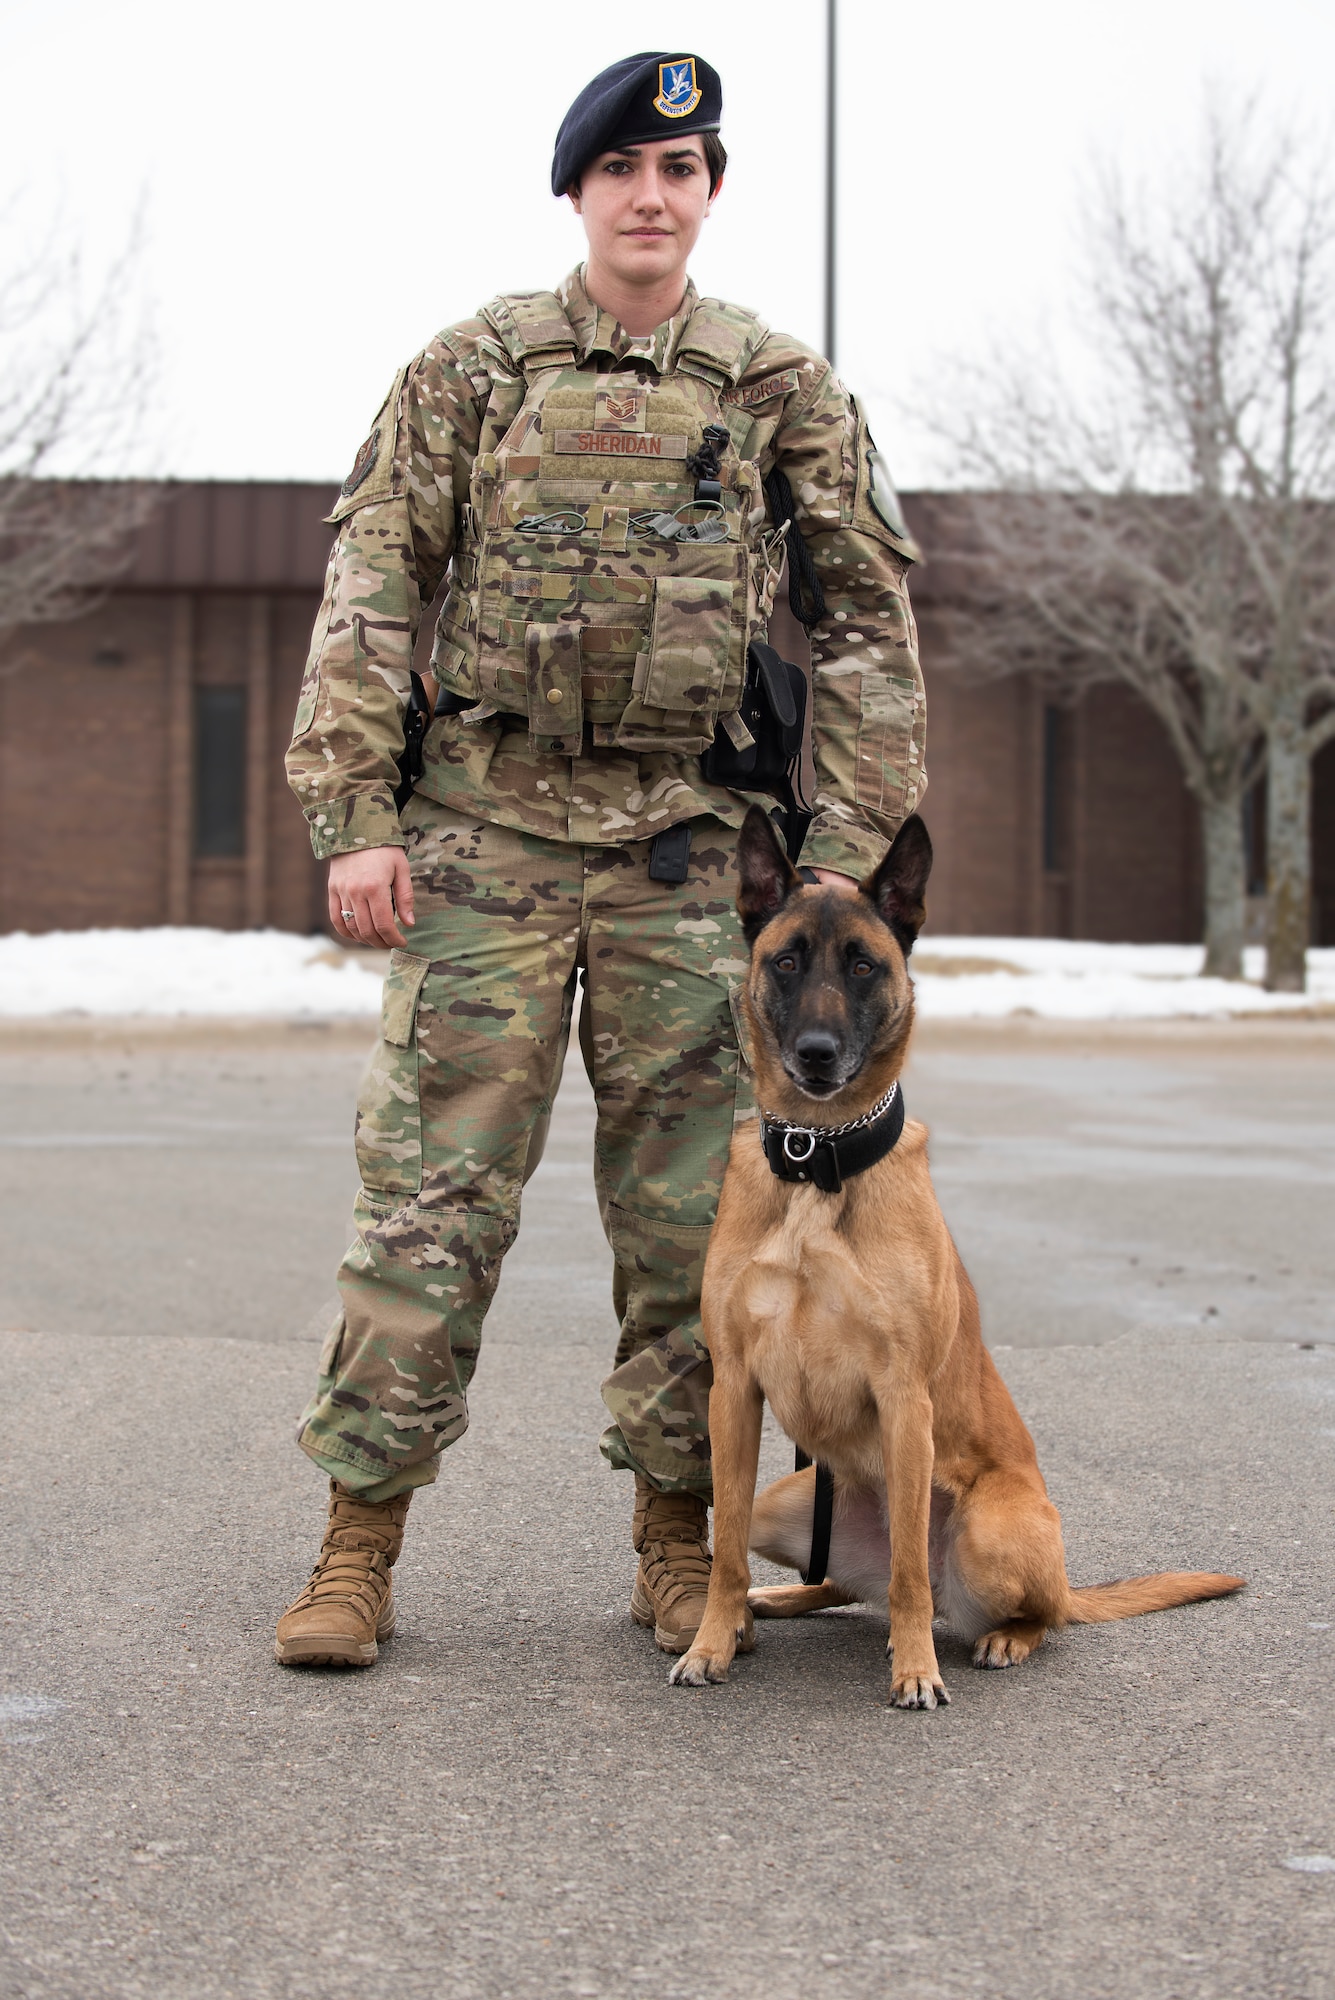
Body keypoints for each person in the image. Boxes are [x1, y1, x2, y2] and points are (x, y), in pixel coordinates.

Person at [275, 50, 926, 1669]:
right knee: (430, 1205)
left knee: (691, 1229)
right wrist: (353, 816)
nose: (652, 196)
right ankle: (357, 1552)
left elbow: (867, 626)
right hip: (486, 840)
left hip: (687, 863)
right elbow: (372, 583)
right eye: (624, 168)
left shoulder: (776, 384)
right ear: (577, 191)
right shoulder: (475, 368)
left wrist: (839, 861)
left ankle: (675, 1550)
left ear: (709, 197)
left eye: (682, 170)